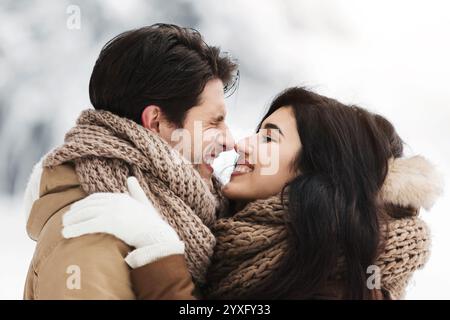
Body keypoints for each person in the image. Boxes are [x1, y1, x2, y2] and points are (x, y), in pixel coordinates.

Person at [61, 87, 443, 299]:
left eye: (269, 138)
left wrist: (160, 257)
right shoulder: (245, 244)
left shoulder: (337, 279)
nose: (243, 144)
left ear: (316, 167)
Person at [23, 23, 237, 299]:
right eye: (214, 122)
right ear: (156, 122)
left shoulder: (189, 214)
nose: (230, 141)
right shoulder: (91, 234)